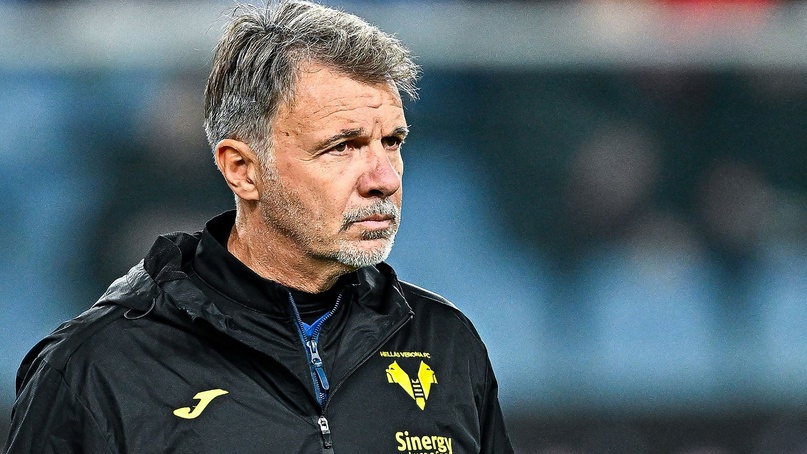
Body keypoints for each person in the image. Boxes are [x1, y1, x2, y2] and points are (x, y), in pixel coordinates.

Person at [4, 1, 515, 452]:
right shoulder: (93, 369)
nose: (384, 178)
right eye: (343, 147)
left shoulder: (446, 342)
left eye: (392, 142)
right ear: (243, 170)